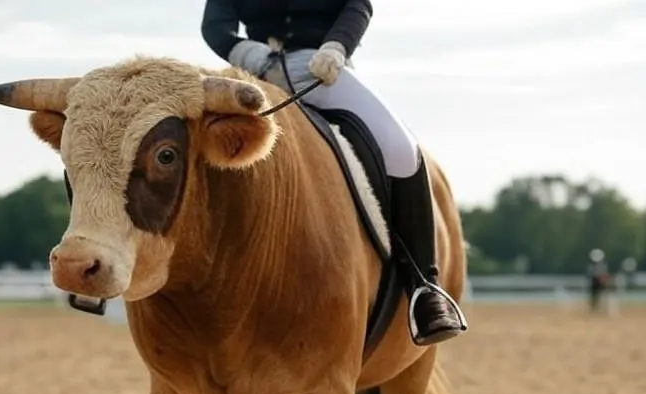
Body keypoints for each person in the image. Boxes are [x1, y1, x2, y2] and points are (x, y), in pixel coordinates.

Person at [200, 0, 467, 346]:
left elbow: (358, 5)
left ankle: (424, 287)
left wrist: (336, 46)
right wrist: (248, 53)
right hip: (254, 77)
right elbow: (216, 26)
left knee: (400, 148)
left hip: (323, 71)